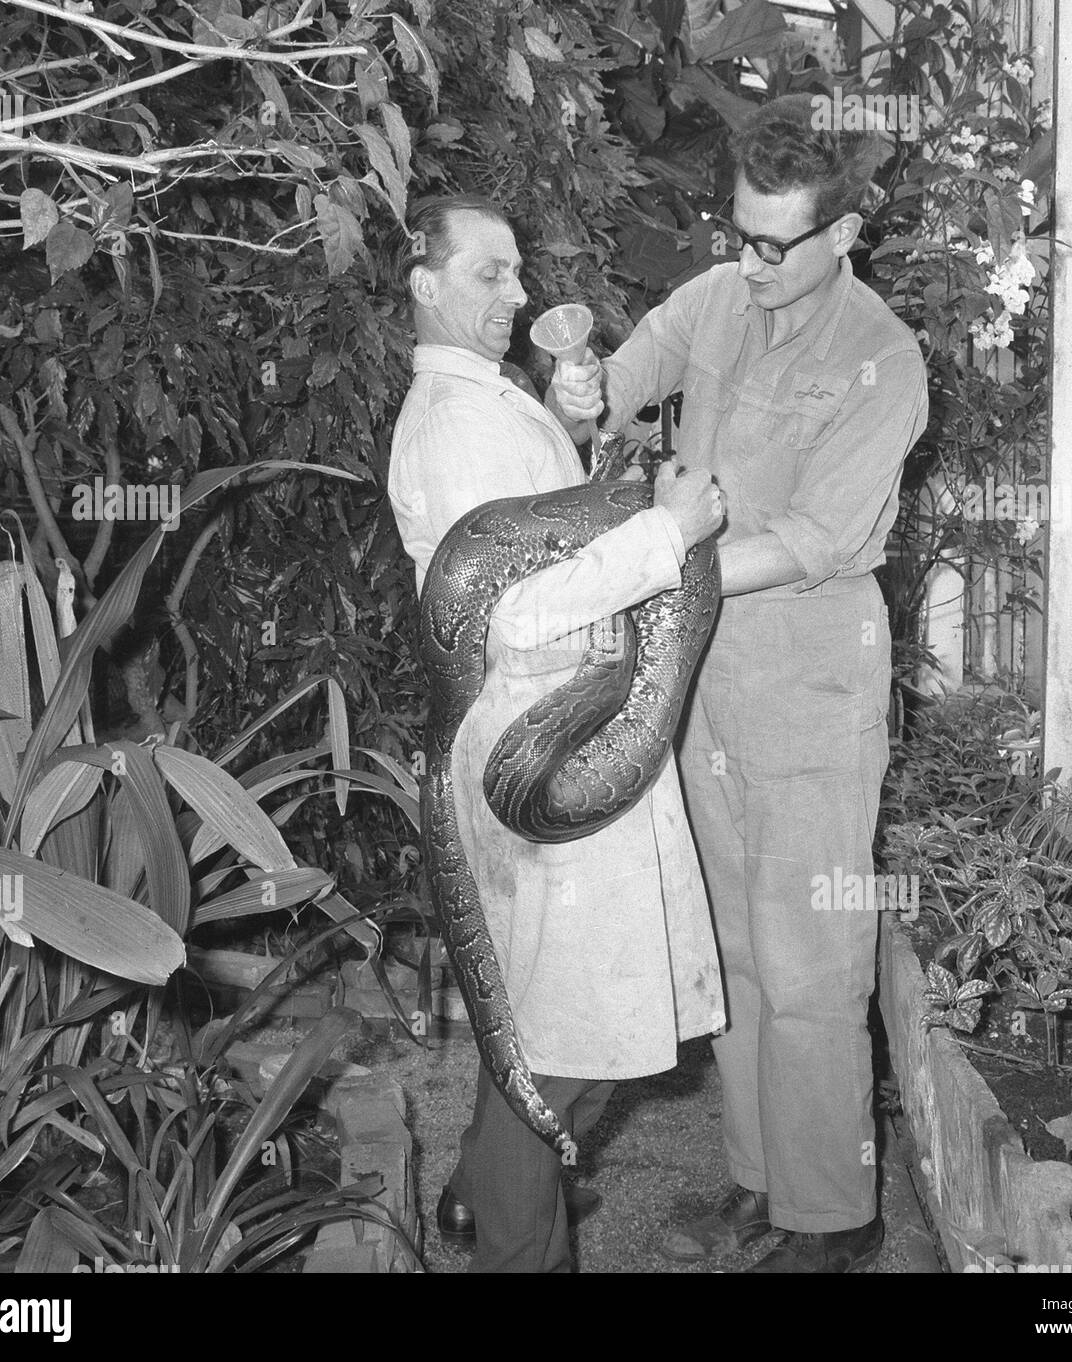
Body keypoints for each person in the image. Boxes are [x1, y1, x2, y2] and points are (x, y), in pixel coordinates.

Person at [548, 97, 929, 1273]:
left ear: (845, 231)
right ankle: (764, 1186)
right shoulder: (717, 297)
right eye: (738, 234)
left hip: (809, 684)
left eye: (775, 243)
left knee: (813, 957)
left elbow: (819, 538)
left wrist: (667, 560)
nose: (748, 262)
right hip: (705, 679)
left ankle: (833, 1220)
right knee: (742, 954)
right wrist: (581, 388)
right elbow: (619, 380)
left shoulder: (882, 358)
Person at [387, 193, 726, 1273]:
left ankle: (482, 1200)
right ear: (423, 283)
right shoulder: (449, 428)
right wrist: (672, 531)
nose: (520, 293)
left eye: (518, 272)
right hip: (538, 743)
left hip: (561, 731)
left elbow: (535, 540)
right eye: (490, 273)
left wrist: (571, 429)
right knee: (561, 1045)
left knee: (547, 1028)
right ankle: (508, 1235)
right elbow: (517, 613)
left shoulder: (485, 403)